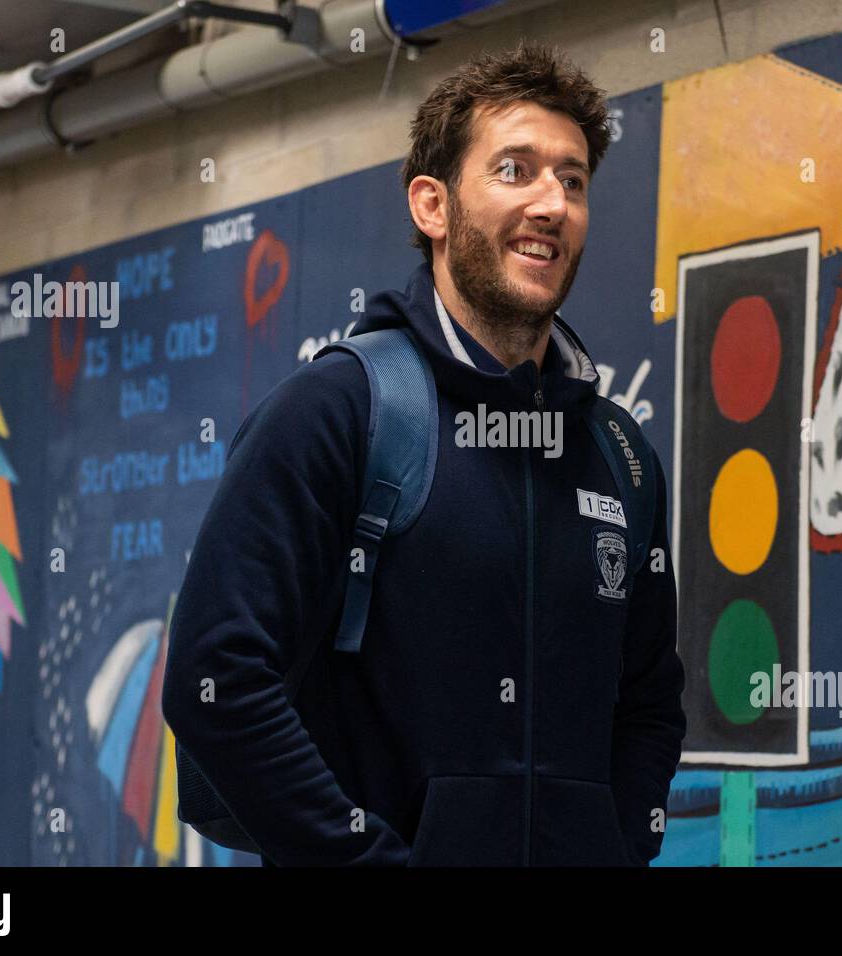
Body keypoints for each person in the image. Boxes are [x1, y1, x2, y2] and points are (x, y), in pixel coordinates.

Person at [162, 40, 686, 866]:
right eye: (515, 170)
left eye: (573, 179)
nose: (552, 202)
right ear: (432, 206)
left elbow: (651, 702)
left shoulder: (618, 453)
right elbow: (215, 679)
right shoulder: (338, 412)